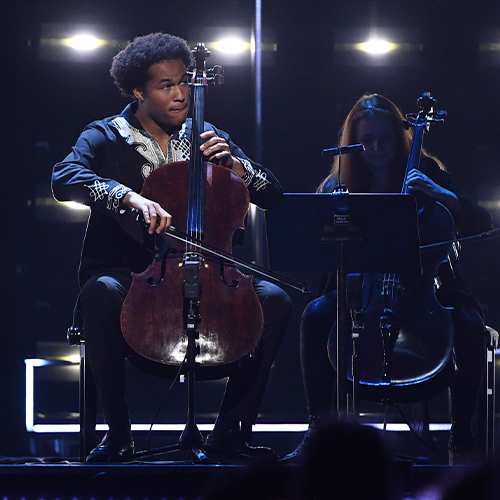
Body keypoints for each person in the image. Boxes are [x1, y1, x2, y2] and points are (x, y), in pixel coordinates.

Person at [52, 32, 292, 463]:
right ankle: (118, 435)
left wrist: (237, 167)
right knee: (101, 292)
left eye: (184, 82)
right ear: (138, 91)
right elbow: (64, 176)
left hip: (209, 275)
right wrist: (128, 196)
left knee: (274, 301)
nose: (181, 94)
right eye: (167, 86)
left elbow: (272, 194)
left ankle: (229, 431)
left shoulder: (206, 136)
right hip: (131, 275)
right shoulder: (106, 135)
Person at [284, 93, 491, 465]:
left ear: (401, 137)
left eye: (385, 139)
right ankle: (318, 429)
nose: (376, 148)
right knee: (315, 314)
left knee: (470, 324)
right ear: (353, 143)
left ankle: (461, 435)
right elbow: (322, 245)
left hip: (425, 288)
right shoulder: (342, 181)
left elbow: (480, 222)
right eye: (367, 141)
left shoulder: (424, 168)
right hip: (361, 291)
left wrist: (438, 192)